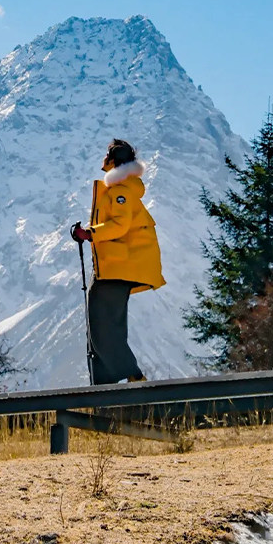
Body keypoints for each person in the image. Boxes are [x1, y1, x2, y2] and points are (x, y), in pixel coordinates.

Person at [71, 139, 166, 384]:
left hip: (118, 267)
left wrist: (90, 233)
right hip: (116, 266)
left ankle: (132, 376)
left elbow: (120, 226)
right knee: (105, 323)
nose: (103, 159)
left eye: (107, 155)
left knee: (101, 324)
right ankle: (105, 384)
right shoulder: (122, 187)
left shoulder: (120, 190)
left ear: (114, 161)